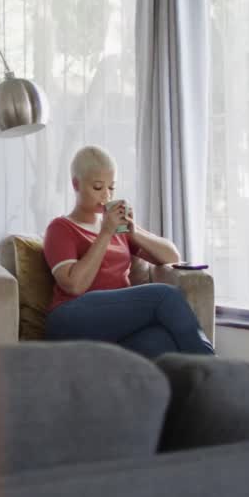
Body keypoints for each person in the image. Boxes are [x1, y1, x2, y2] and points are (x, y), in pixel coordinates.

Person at [42, 145, 214, 359]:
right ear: (76, 184)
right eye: (98, 187)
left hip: (114, 321)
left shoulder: (117, 227)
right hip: (70, 318)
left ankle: (199, 378)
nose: (106, 195)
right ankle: (215, 369)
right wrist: (105, 233)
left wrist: (134, 232)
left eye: (111, 188)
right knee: (165, 296)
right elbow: (75, 286)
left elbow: (172, 257)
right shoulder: (60, 228)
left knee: (163, 340)